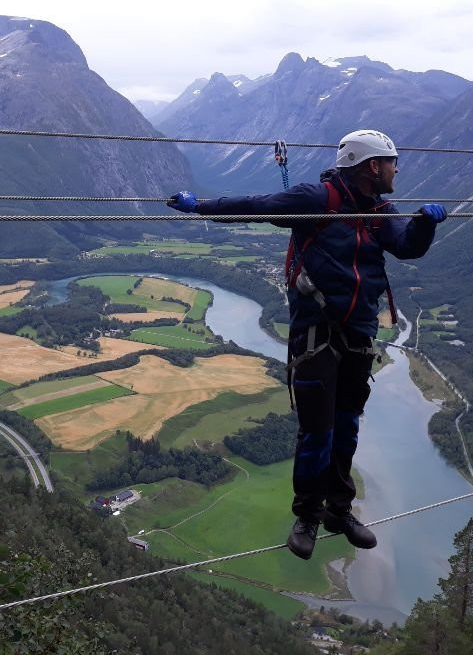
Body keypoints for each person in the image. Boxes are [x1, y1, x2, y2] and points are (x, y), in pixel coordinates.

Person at [168, 130, 447, 559]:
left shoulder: (377, 209)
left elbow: (407, 246)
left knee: (347, 426)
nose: (396, 169)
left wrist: (425, 226)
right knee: (319, 431)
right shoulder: (318, 200)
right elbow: (257, 207)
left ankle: (340, 510)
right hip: (316, 334)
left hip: (358, 335)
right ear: (373, 166)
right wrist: (199, 207)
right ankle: (308, 517)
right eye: (392, 161)